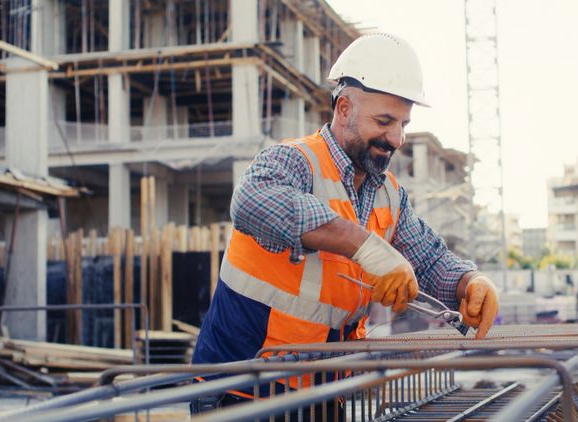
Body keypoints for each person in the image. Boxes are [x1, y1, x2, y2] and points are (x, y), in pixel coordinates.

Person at [190, 32, 499, 414]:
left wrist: (471, 282)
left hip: (321, 391)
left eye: (403, 123)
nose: (396, 138)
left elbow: (430, 259)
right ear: (344, 109)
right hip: (241, 389)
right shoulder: (292, 162)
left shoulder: (388, 193)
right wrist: (367, 247)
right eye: (384, 121)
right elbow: (253, 203)